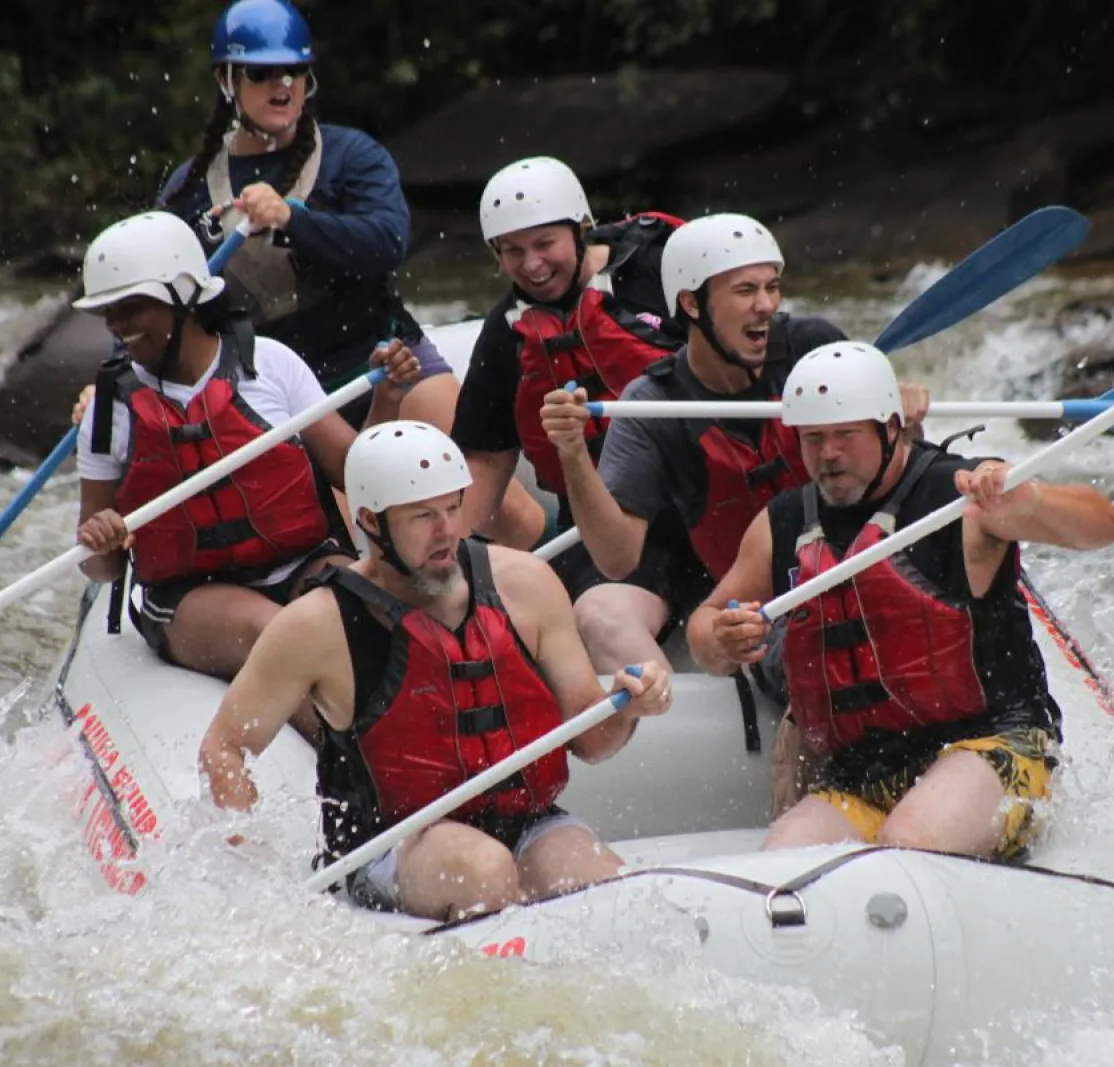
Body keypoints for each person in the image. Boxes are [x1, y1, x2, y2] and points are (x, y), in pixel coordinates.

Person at [198, 421, 673, 920]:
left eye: (453, 507)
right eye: (424, 515)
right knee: (482, 871)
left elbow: (590, 740)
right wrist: (246, 860)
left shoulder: (526, 584)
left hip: (529, 822)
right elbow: (225, 746)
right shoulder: (318, 624)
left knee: (610, 897)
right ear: (371, 522)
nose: (447, 530)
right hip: (392, 846)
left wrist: (626, 706)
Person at [687, 341, 1114, 860]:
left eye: (845, 435)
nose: (828, 455)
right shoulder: (782, 522)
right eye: (813, 439)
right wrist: (721, 639)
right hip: (861, 776)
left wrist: (1028, 499)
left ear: (891, 428)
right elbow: (704, 627)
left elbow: (1105, 525)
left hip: (993, 743)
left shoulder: (958, 496)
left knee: (908, 843)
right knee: (783, 863)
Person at [129, 0, 546, 546]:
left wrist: (292, 218)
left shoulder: (353, 156)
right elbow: (156, 303)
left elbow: (386, 244)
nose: (282, 85)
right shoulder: (188, 191)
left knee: (510, 516)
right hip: (288, 393)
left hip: (388, 359)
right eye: (261, 73)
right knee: (365, 541)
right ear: (227, 81)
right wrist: (115, 378)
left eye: (294, 71)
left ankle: (537, 597)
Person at [541, 212, 931, 588]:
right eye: (745, 290)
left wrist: (906, 424)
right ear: (692, 304)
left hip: (856, 575)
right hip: (748, 607)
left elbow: (897, 476)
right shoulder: (652, 403)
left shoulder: (814, 347)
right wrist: (572, 453)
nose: (767, 305)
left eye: (772, 287)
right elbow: (616, 559)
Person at [72, 211, 356, 708]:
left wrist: (393, 402)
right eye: (108, 314)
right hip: (189, 597)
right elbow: (102, 569)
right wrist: (101, 538)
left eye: (131, 307)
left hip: (305, 561)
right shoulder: (107, 410)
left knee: (356, 612)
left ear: (183, 298)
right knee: (279, 634)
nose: (117, 327)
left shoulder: (269, 364)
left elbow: (358, 472)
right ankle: (351, 772)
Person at [450, 155, 710, 672]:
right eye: (513, 251)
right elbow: (485, 463)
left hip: (718, 502)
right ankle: (657, 722)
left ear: (581, 229)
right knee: (598, 617)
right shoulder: (507, 334)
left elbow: (755, 359)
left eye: (545, 244)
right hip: (606, 531)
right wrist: (439, 565)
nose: (532, 265)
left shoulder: (662, 269)